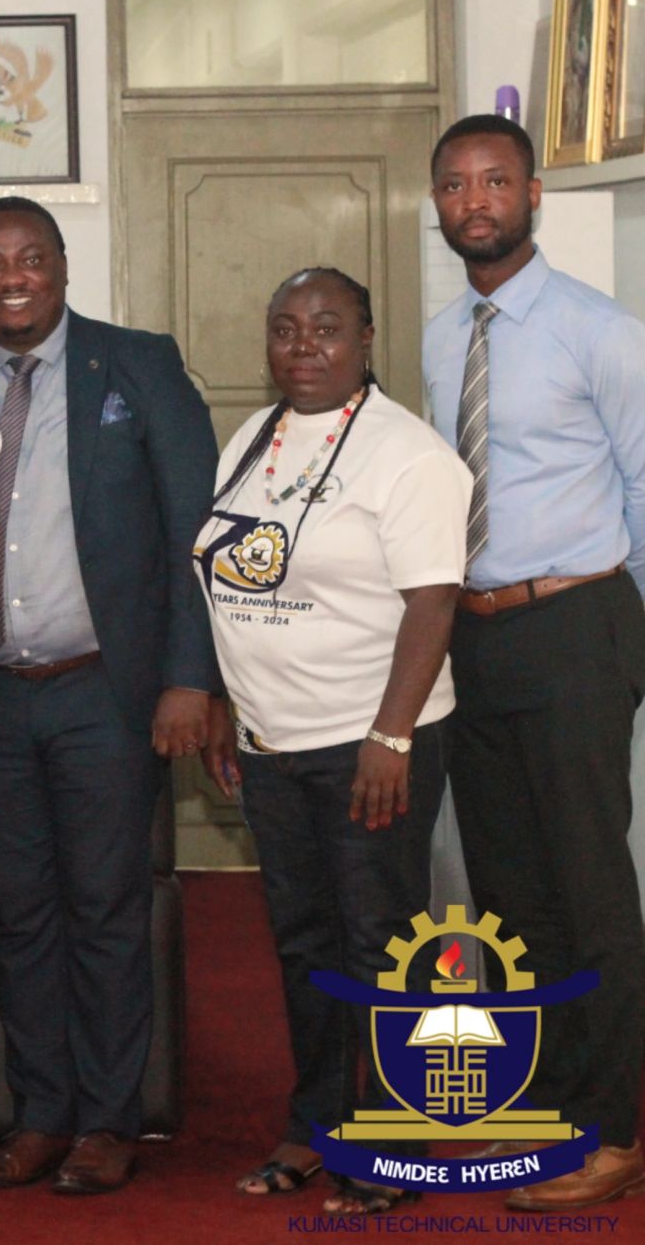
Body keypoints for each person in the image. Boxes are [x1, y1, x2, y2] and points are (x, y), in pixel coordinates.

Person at [0, 196, 221, 1196]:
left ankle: (107, 1119)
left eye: (29, 256)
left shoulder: (135, 362)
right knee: (18, 913)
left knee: (106, 908)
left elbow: (197, 529)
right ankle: (39, 1113)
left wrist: (188, 676)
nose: (10, 275)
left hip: (102, 691)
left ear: (61, 267)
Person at [200, 268, 468, 1217]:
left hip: (369, 741)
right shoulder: (255, 437)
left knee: (381, 945)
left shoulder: (411, 454)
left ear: (365, 339)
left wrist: (390, 735)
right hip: (274, 740)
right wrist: (233, 703)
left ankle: (394, 1142)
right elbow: (237, 575)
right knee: (304, 942)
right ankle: (317, 1124)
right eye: (284, 329)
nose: (302, 345)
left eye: (325, 328)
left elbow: (433, 603)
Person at [423, 113, 645, 1210]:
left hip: (576, 621)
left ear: (532, 194)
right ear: (436, 204)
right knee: (506, 889)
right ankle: (549, 1104)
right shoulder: (433, 335)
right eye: (455, 184)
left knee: (586, 877)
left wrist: (632, 641)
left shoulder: (600, 330)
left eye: (493, 180)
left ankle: (611, 1129)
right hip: (474, 634)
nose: (475, 200)